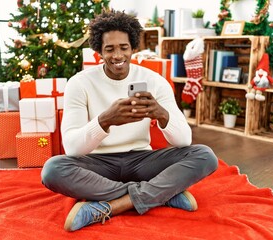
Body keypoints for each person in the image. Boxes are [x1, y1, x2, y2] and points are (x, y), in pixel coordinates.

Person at [41, 9, 218, 232]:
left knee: (204, 155)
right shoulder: (79, 83)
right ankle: (160, 194)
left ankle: (114, 206)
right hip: (98, 165)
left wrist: (162, 115)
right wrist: (104, 121)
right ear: (99, 52)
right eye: (109, 49)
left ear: (134, 47)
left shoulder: (154, 81)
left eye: (124, 47)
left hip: (142, 161)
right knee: (53, 169)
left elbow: (184, 140)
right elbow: (72, 147)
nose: (117, 55)